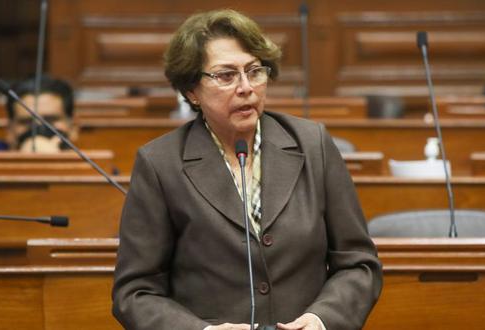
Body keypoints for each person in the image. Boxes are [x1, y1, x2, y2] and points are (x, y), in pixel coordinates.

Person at [112, 9, 382, 330]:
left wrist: (322, 319)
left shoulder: (313, 145)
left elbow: (358, 264)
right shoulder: (160, 163)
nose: (246, 87)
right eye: (226, 75)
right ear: (191, 91)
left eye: (254, 71)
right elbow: (135, 292)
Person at [0, 75, 77, 152]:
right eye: (26, 121)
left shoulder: (91, 164)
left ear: (73, 127)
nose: (38, 128)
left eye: (50, 120)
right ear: (9, 129)